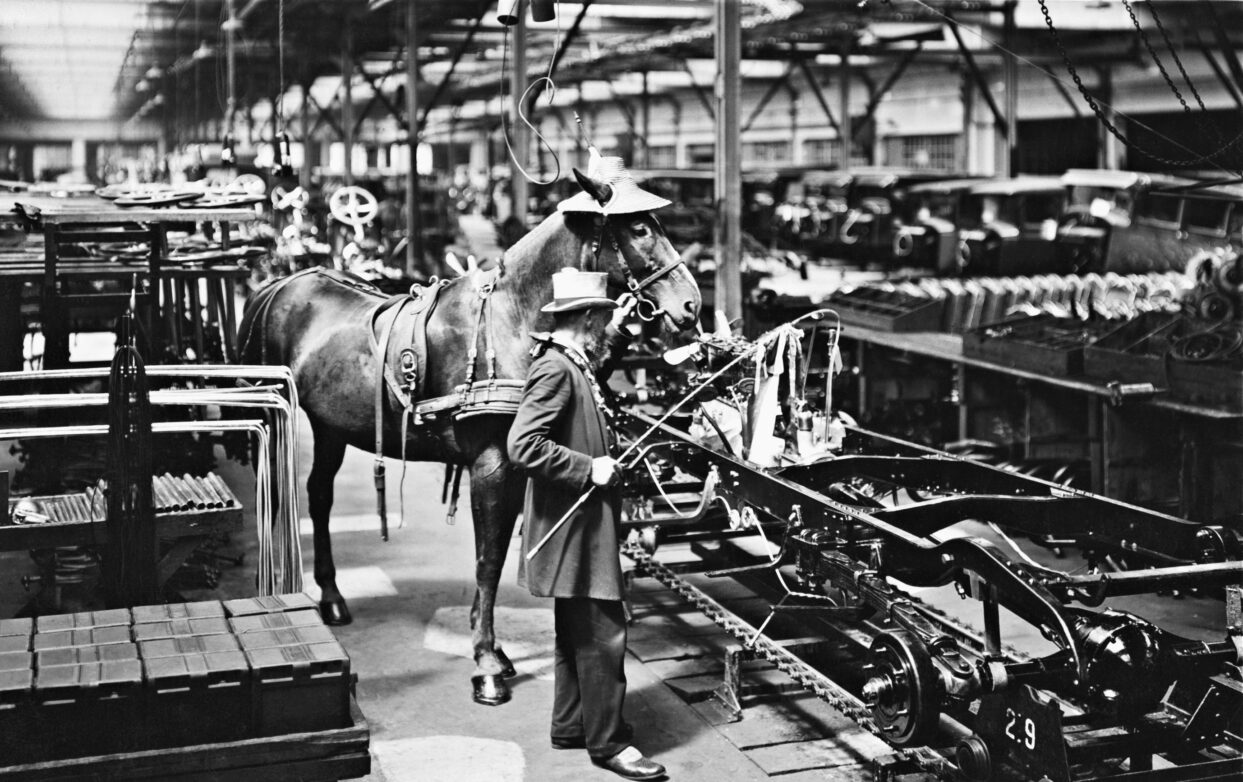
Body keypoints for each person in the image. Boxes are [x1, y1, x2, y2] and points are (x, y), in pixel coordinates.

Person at [507, 268, 666, 781]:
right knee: (604, 631)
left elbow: (595, 368)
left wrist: (620, 329)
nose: (604, 326)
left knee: (574, 629)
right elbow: (522, 445)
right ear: (589, 317)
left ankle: (572, 724)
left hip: (579, 523)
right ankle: (611, 744)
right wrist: (588, 467)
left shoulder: (573, 361)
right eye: (603, 317)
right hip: (573, 526)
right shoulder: (556, 369)